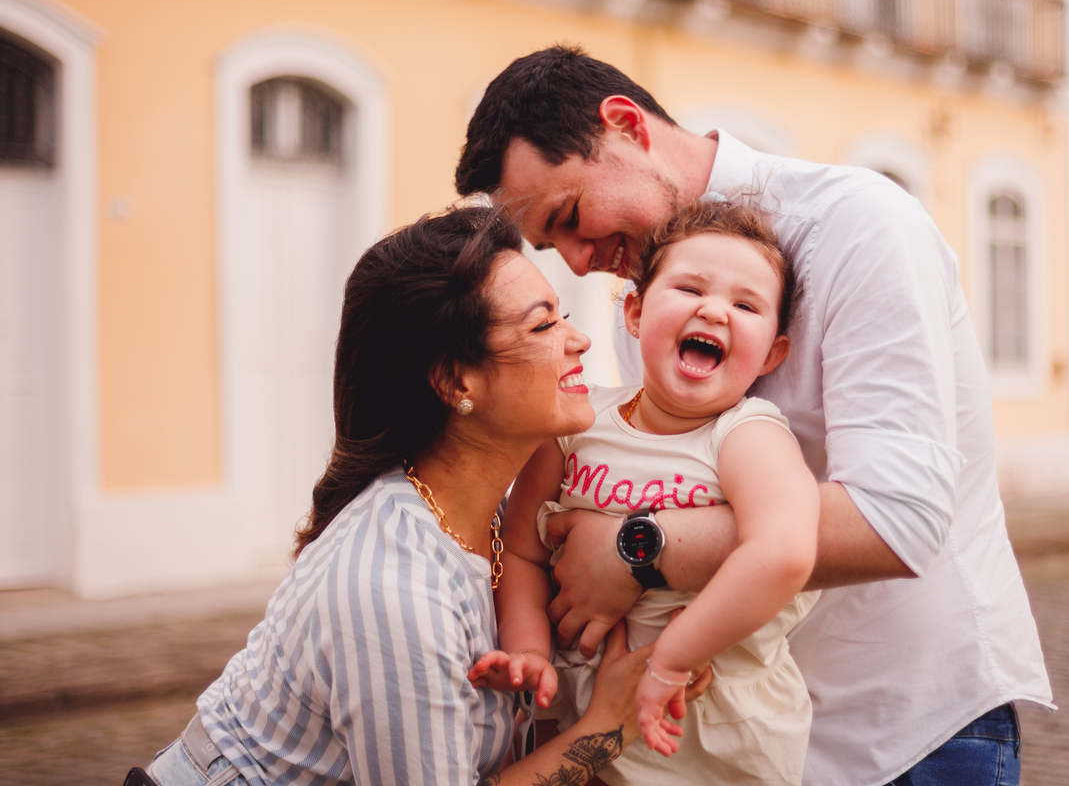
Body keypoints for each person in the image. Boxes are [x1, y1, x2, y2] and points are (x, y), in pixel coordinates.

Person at [455, 45, 1054, 786]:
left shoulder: (860, 227)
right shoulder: (640, 296)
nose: (577, 262)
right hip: (740, 747)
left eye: (572, 216)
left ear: (624, 126)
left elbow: (901, 515)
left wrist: (637, 548)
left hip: (910, 734)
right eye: (554, 247)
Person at [124, 206, 679, 786]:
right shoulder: (393, 585)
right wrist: (607, 725)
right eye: (543, 327)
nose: (581, 340)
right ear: (455, 380)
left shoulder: (497, 514)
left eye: (562, 316)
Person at [468, 199, 820, 784]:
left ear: (774, 352)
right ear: (633, 311)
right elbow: (522, 550)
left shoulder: (746, 435)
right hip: (587, 745)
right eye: (689, 288)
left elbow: (784, 552)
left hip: (715, 749)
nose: (714, 311)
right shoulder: (579, 424)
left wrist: (669, 661)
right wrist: (529, 651)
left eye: (745, 304)